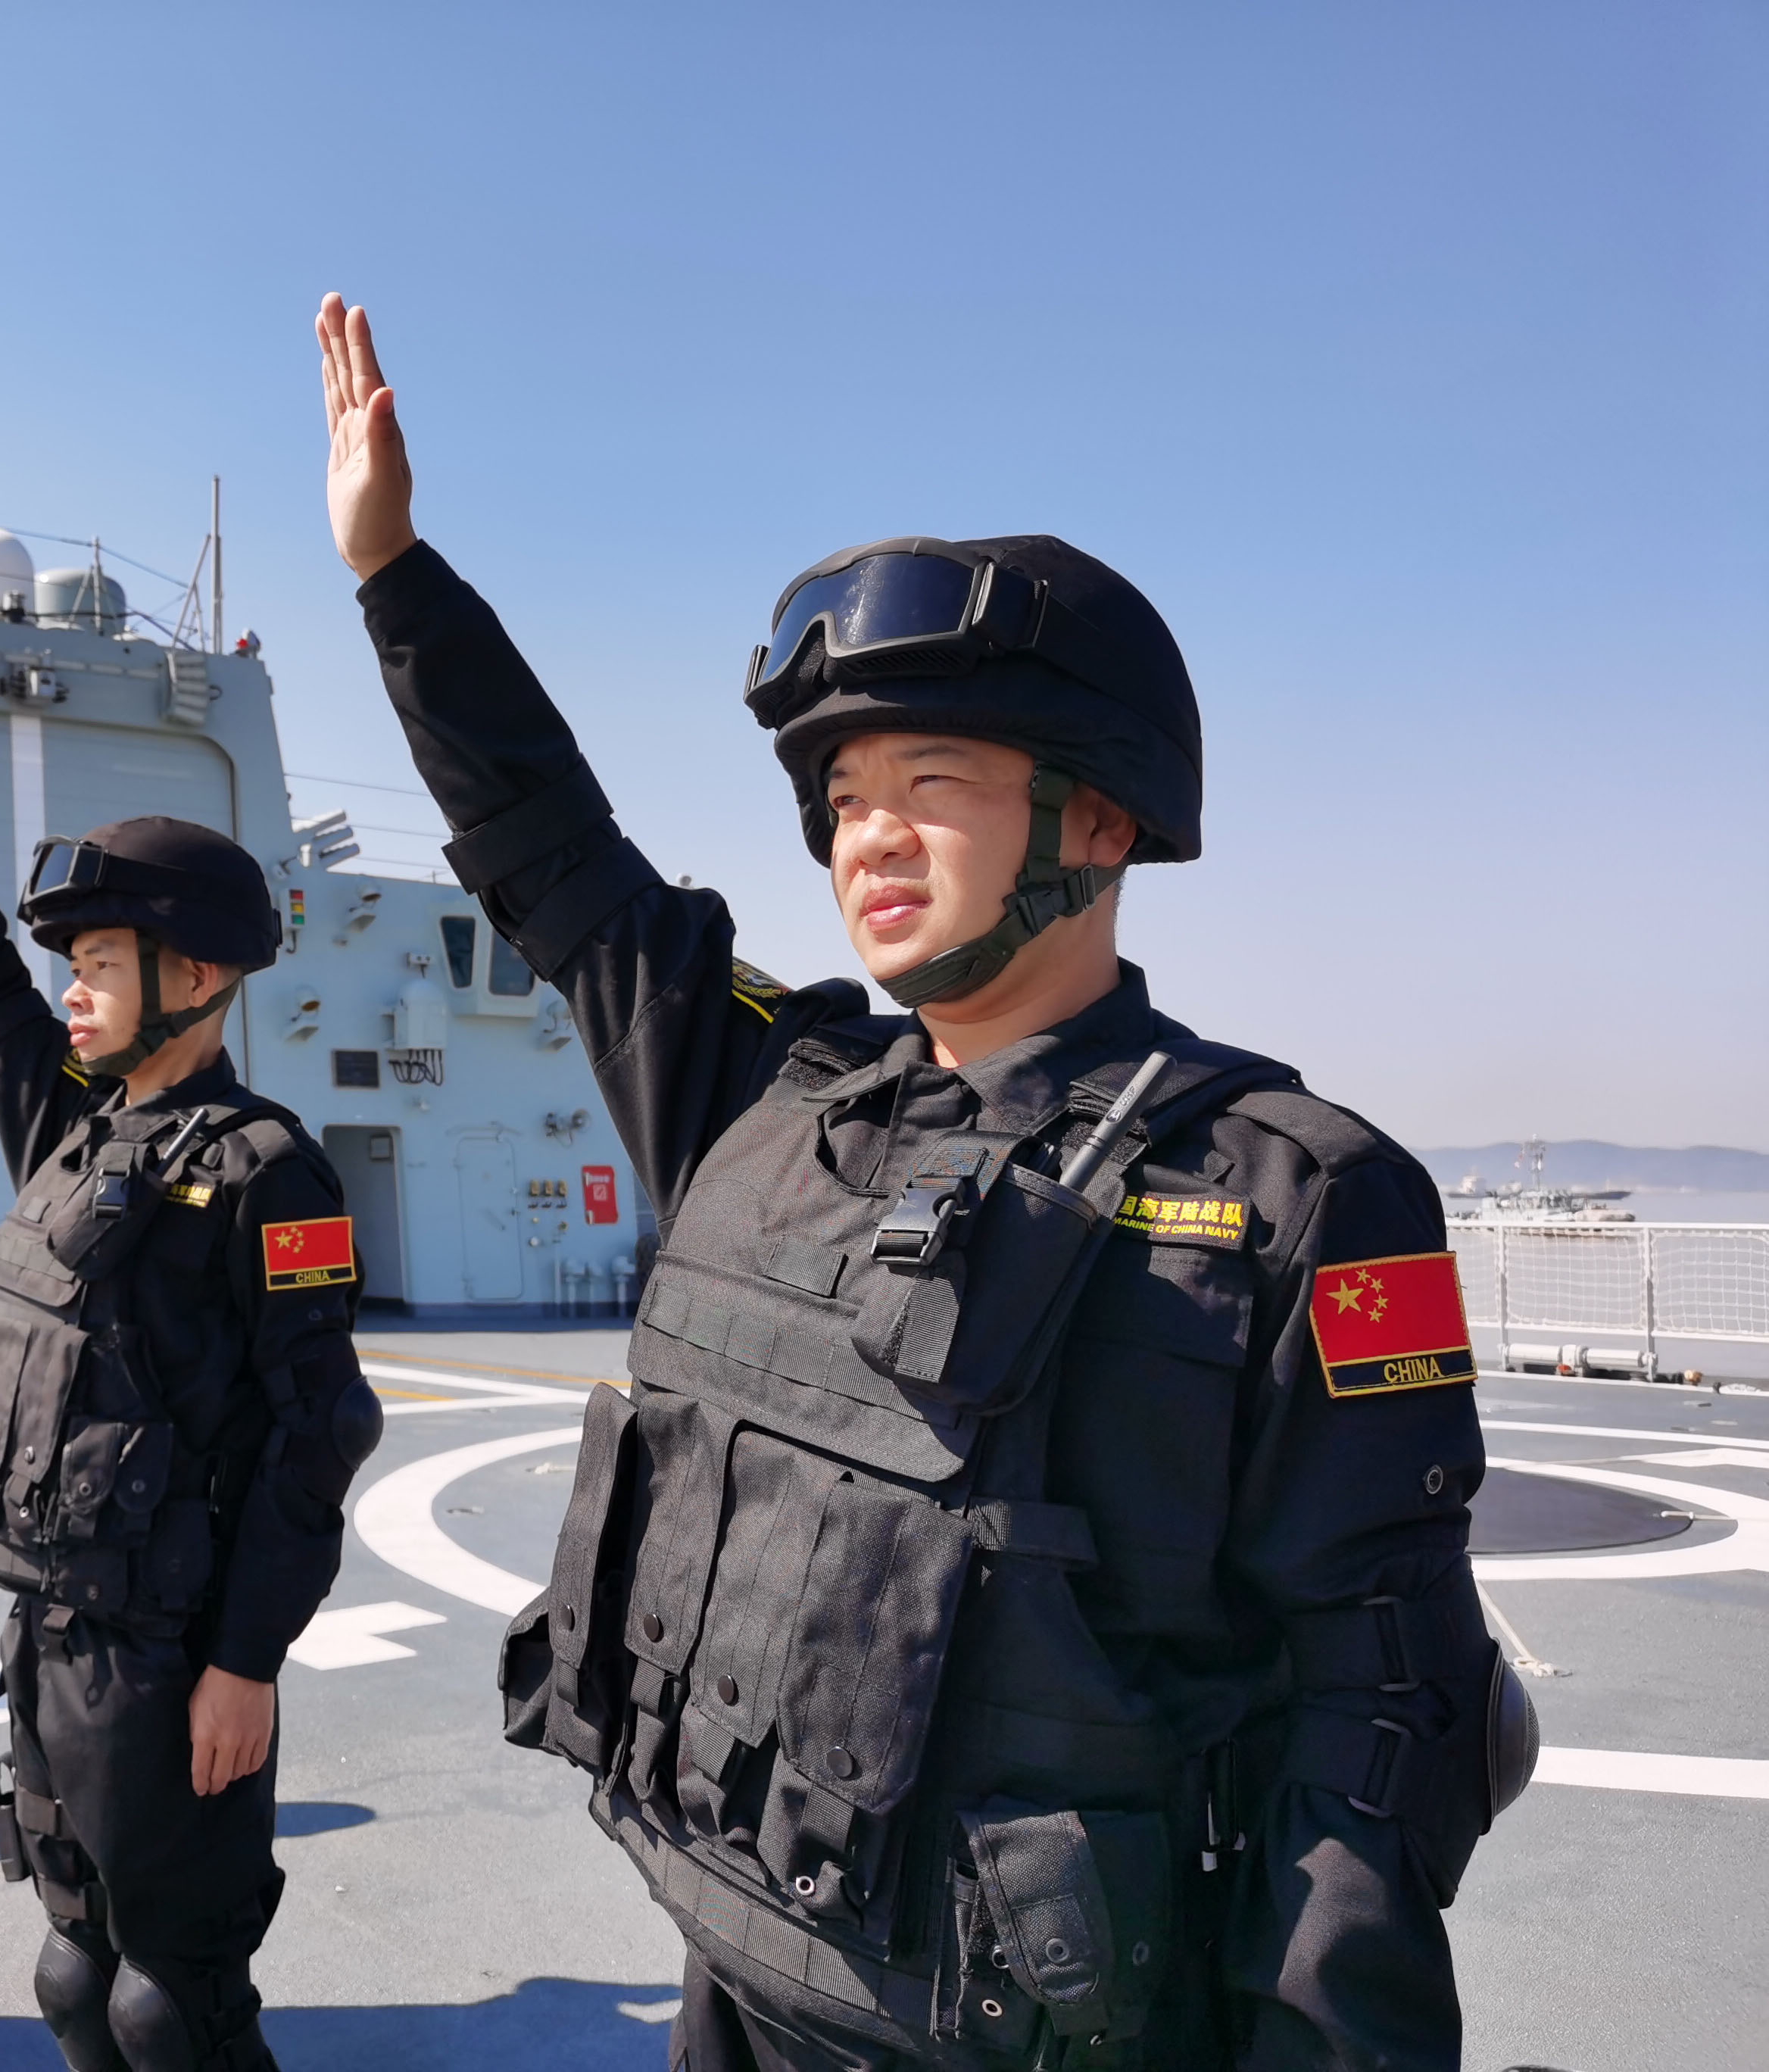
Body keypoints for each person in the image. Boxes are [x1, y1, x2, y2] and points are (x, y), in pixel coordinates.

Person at [313, 295, 1532, 2072]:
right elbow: (552, 855)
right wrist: (395, 576)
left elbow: (1381, 1720)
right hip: (748, 1971)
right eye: (844, 795)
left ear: (1098, 821)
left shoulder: (1301, 1197)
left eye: (929, 783)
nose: (865, 833)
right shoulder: (771, 1092)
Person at [0, 635, 382, 2072]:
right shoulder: (70, 1127)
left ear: (199, 973)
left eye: (102, 963)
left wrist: (247, 1661)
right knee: (70, 1970)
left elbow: (313, 1435)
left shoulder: (269, 1171)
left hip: (174, 1655)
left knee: (173, 2000)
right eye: (76, 965)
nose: (74, 991)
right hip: (49, 1632)